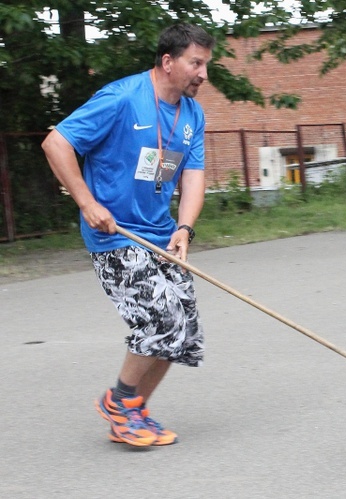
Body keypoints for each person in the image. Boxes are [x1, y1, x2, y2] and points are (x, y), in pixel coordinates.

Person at [42, 24, 215, 447]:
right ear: (168, 62)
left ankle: (133, 412)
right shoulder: (121, 98)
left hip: (159, 234)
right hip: (116, 235)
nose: (203, 75)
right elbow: (55, 143)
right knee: (160, 318)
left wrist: (184, 229)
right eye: (196, 64)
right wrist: (87, 203)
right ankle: (119, 404)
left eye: (207, 65)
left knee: (183, 332)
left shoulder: (191, 115)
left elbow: (192, 178)